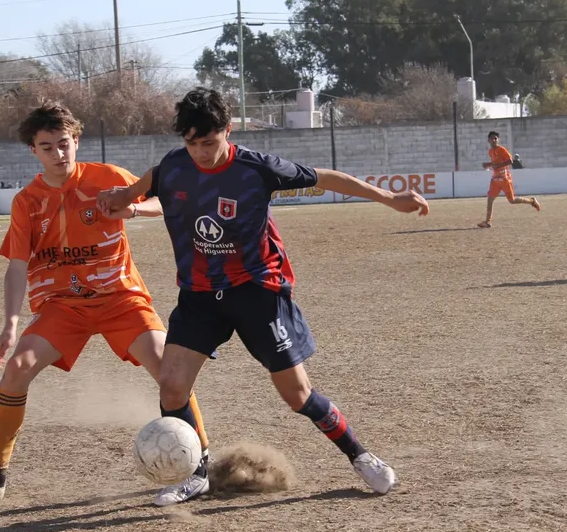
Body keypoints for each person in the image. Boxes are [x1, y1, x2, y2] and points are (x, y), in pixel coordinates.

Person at [98, 87, 429, 496]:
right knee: (172, 385)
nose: (200, 152)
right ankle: (195, 475)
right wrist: (124, 196)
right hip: (200, 295)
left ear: (228, 130)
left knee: (297, 395)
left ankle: (360, 455)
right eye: (191, 143)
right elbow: (146, 182)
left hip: (256, 292)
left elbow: (325, 177)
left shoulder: (256, 168)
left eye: (209, 142)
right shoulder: (173, 166)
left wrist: (389, 198)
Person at [0, 100, 211, 508]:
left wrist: (133, 208)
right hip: (63, 306)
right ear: (34, 151)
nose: (58, 153)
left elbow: (164, 200)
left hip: (121, 297)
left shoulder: (108, 177)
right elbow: (16, 267)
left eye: (64, 143)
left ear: (76, 140)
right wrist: (10, 325)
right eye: (47, 147)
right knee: (17, 369)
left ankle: (200, 468)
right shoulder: (27, 202)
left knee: (168, 368)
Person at [477, 131, 540, 228]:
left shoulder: (502, 149)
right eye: (492, 138)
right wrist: (488, 164)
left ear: (498, 140)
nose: (494, 140)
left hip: (504, 178)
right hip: (495, 179)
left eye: (495, 138)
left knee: (512, 200)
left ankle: (531, 201)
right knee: (490, 199)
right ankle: (487, 222)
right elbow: (494, 163)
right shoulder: (490, 151)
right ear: (488, 140)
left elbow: (510, 161)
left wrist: (497, 165)